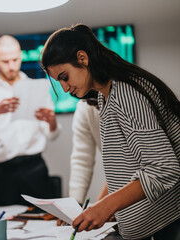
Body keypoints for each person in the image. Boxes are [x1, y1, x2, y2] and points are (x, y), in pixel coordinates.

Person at [40, 23, 180, 240]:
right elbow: (127, 166)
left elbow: (163, 168)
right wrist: (96, 208)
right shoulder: (105, 97)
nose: (65, 89)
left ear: (82, 58)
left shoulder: (127, 92)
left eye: (64, 77)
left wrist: (105, 207)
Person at [0, 35, 60, 207]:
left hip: (34, 167)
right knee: (3, 226)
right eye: (5, 61)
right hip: (2, 171)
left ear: (21, 56)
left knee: (42, 221)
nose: (11, 66)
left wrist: (52, 121)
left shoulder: (38, 87)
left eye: (15, 60)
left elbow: (52, 135)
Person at [69, 98, 101, 205]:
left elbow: (125, 163)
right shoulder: (83, 108)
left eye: (65, 79)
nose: (65, 89)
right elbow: (81, 160)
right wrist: (74, 204)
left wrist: (103, 204)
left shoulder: (124, 98)